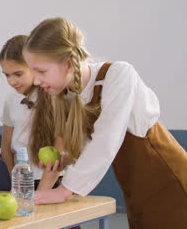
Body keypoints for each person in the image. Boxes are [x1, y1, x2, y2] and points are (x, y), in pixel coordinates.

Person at [22, 17, 187, 228]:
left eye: (41, 71)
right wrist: (68, 160)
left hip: (170, 182)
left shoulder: (119, 75)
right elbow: (87, 145)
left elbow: (106, 139)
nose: (35, 81)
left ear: (68, 64)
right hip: (136, 190)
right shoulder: (71, 94)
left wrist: (64, 190)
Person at [0, 35, 62, 190]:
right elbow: (6, 148)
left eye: (18, 74)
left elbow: (59, 149)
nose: (12, 81)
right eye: (7, 75)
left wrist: (42, 191)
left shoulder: (55, 97)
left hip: (52, 180)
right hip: (22, 180)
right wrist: (12, 182)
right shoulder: (10, 100)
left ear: (34, 68)